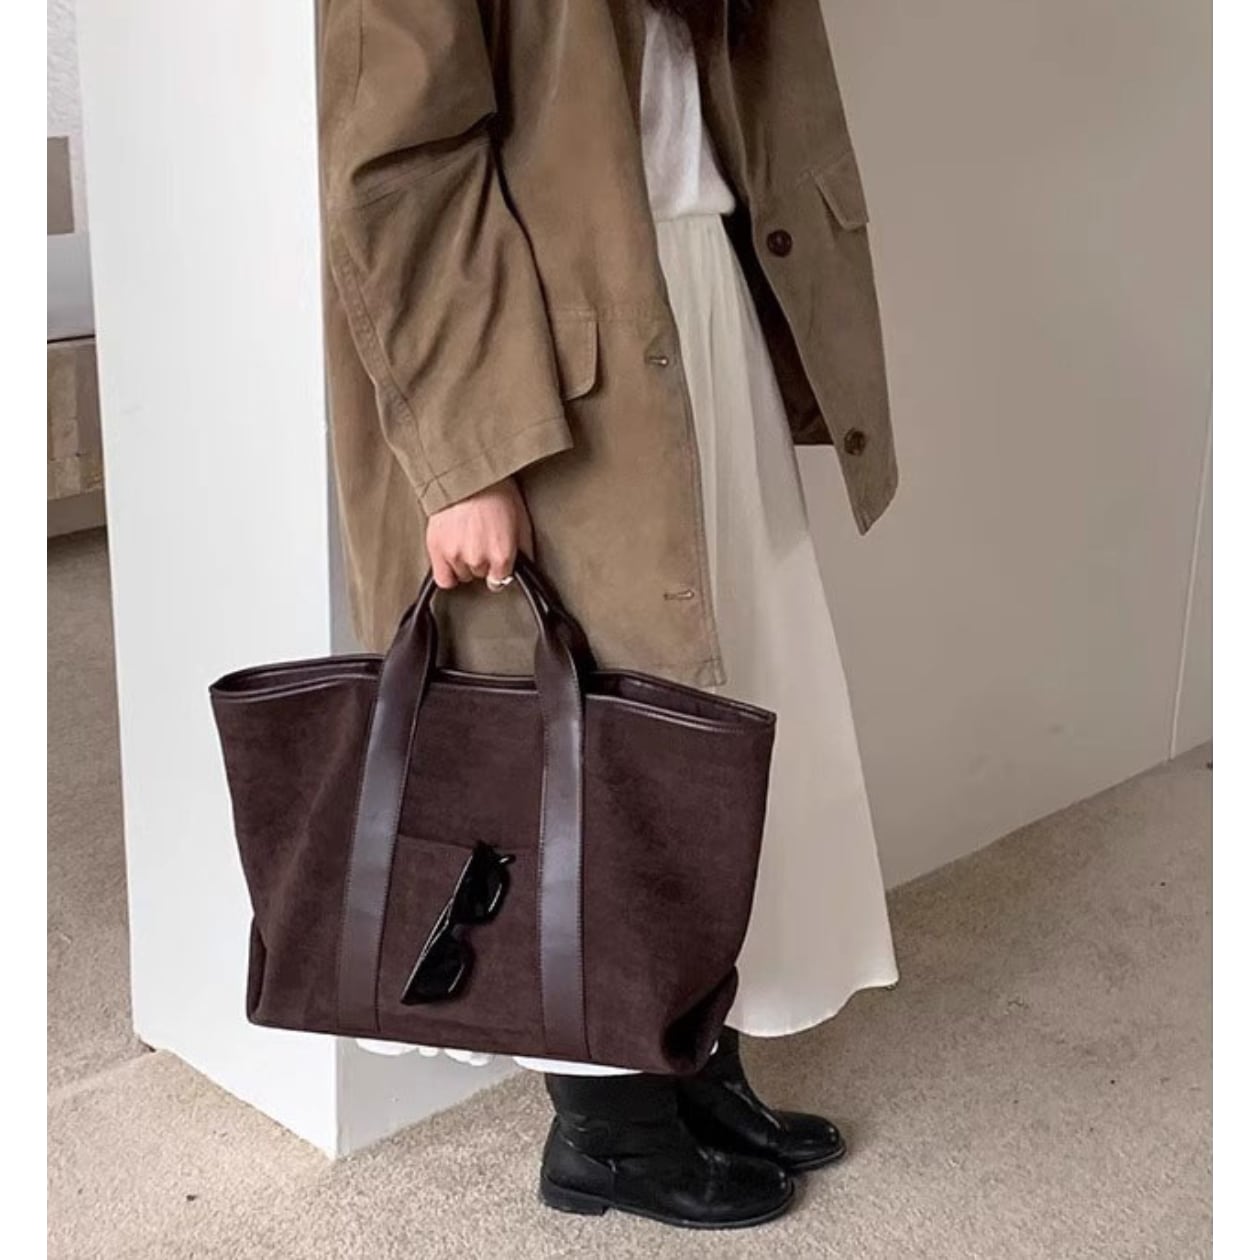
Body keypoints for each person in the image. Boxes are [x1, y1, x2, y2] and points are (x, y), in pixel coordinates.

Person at [318, 0, 900, 1230]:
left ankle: (693, 1062)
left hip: (699, 291)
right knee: (584, 751)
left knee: (716, 714)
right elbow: (397, 164)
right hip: (543, 352)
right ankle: (610, 1133)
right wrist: (467, 459)